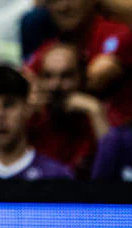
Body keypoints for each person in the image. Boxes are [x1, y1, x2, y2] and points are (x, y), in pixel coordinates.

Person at [27, 0, 132, 127]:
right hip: (71, 138)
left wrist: (44, 86)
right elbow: (25, 83)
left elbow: (97, 78)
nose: (63, 6)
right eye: (55, 0)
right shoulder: (51, 46)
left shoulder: (116, 34)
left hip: (118, 134)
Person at [27, 41, 107, 179]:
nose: (56, 85)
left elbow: (112, 172)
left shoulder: (94, 117)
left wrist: (95, 111)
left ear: (81, 78)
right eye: (48, 76)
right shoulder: (31, 118)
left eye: (66, 76)